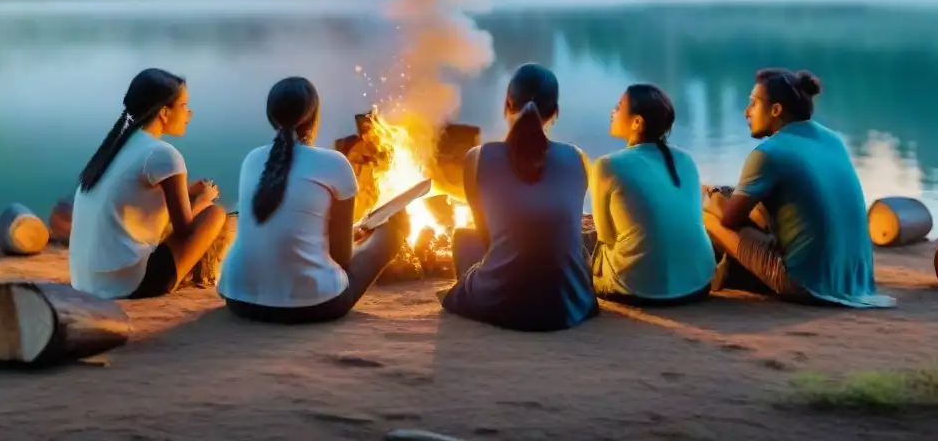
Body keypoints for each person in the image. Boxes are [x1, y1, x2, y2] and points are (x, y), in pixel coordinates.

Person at [218, 77, 410, 324]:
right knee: (393, 231)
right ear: (314, 117)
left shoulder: (253, 159)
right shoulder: (334, 163)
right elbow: (341, 259)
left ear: (271, 117)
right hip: (311, 305)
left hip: (238, 298)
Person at [702, 68, 895, 308]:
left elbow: (730, 220)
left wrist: (711, 201)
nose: (746, 112)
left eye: (753, 103)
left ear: (776, 110)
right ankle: (735, 271)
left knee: (708, 217)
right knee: (743, 201)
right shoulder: (831, 139)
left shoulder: (769, 154)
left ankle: (693, 276)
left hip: (805, 283)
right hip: (854, 280)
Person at [440, 63, 599, 332]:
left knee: (462, 239)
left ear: (507, 104)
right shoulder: (578, 158)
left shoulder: (477, 158)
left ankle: (485, 291)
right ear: (555, 112)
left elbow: (487, 236)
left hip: (502, 305)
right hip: (568, 305)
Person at [69, 68, 227, 300]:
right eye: (184, 106)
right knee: (214, 214)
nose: (189, 114)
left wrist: (187, 189)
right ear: (164, 112)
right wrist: (203, 200)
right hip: (125, 284)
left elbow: (133, 192)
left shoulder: (116, 146)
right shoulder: (163, 154)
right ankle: (181, 279)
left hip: (85, 280)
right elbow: (184, 229)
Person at [587, 84, 715, 306]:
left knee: (582, 248)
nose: (612, 112)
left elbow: (606, 236)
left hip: (637, 287)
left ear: (637, 122)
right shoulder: (686, 159)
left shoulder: (607, 165)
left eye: (618, 107)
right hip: (698, 282)